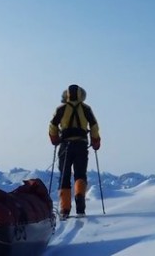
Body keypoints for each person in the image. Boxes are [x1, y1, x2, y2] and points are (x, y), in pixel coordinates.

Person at [49, 84, 101, 219]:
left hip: (65, 145)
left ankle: (65, 209)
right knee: (80, 174)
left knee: (64, 176)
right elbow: (94, 125)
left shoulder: (61, 109)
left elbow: (53, 125)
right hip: (81, 145)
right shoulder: (86, 108)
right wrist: (95, 141)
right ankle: (80, 207)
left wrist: (54, 139)